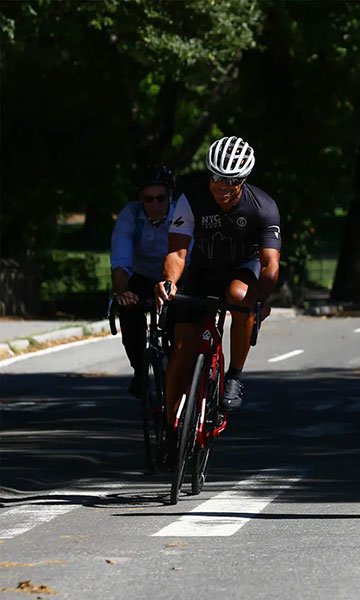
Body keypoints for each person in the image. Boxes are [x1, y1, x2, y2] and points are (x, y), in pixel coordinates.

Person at [155, 136, 282, 462]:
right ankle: (171, 428)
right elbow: (178, 251)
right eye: (215, 177)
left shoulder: (263, 207)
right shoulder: (192, 199)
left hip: (244, 270)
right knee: (182, 350)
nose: (221, 186)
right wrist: (169, 281)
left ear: (244, 180)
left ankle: (234, 375)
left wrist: (261, 300)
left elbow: (270, 265)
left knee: (238, 297)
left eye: (231, 181)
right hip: (202, 272)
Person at [110, 165, 177, 397]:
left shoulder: (181, 214)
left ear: (170, 196)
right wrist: (123, 293)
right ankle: (139, 369)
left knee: (183, 317)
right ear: (140, 199)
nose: (155, 205)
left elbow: (188, 255)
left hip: (176, 276)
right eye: (149, 199)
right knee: (129, 309)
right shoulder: (131, 215)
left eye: (161, 198)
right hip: (141, 277)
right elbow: (120, 261)